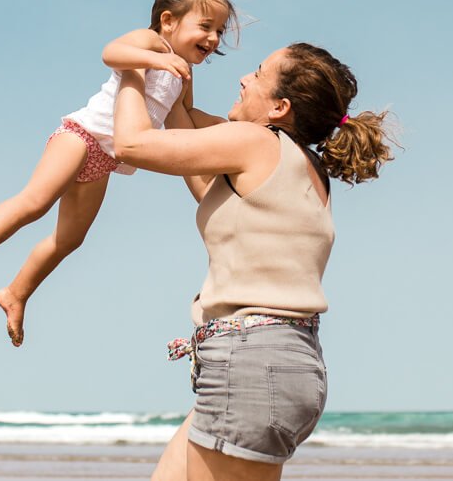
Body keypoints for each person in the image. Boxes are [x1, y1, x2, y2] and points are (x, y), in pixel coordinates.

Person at [113, 42, 394, 480]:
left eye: (258, 73)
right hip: (275, 363)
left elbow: (130, 144)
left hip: (251, 366)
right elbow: (199, 168)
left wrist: (132, 68)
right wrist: (176, 73)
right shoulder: (301, 165)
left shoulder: (255, 142)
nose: (244, 77)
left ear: (280, 107)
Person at [0, 0, 237, 346]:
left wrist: (209, 177)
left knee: (70, 238)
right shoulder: (150, 43)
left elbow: (181, 123)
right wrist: (156, 61)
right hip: (80, 137)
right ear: (168, 21)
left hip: (107, 160)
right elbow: (110, 53)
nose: (213, 39)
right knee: (35, 203)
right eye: (206, 26)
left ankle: (16, 293)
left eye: (219, 32)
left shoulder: (184, 73)